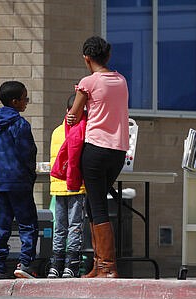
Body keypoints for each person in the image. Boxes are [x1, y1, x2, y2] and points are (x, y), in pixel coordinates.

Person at [66, 35, 129, 278]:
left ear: (87, 58)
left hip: (95, 149)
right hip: (118, 151)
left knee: (97, 205)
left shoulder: (88, 82)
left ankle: (108, 266)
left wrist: (76, 110)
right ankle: (99, 265)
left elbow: (74, 114)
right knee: (96, 204)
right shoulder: (121, 80)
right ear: (108, 56)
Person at [0, 81, 39, 279]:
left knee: (0, 226)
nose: (26, 102)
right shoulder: (20, 124)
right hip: (18, 181)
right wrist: (30, 175)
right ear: (15, 101)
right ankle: (25, 263)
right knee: (27, 223)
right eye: (25, 98)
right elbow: (28, 153)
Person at [47, 94, 87, 278]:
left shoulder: (56, 131)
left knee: (59, 226)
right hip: (76, 186)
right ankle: (71, 265)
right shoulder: (85, 130)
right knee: (75, 226)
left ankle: (55, 265)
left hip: (57, 186)